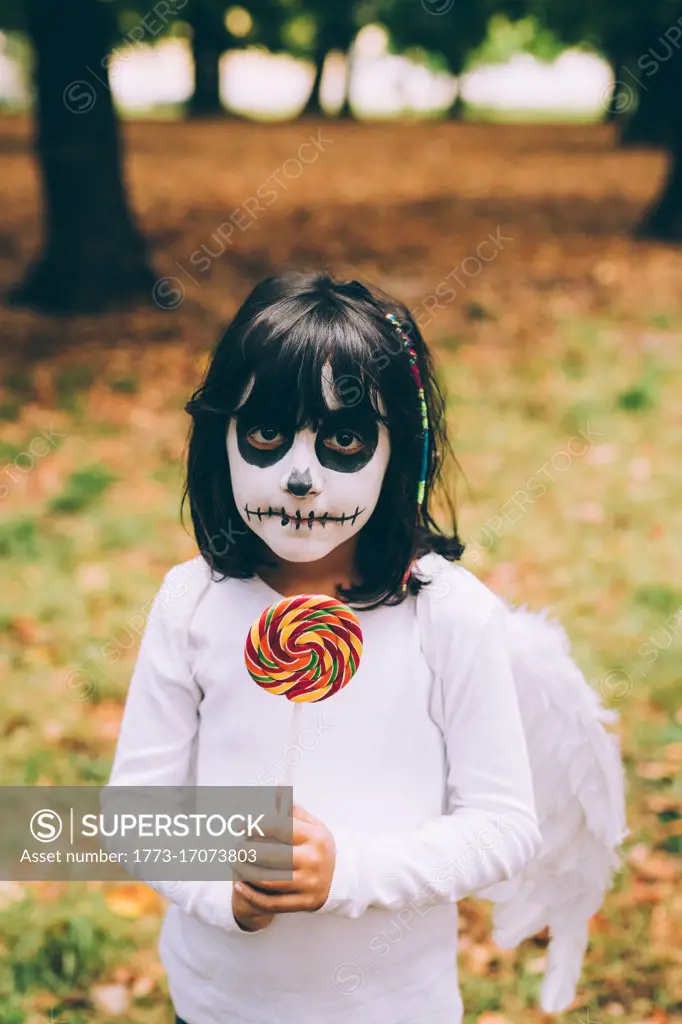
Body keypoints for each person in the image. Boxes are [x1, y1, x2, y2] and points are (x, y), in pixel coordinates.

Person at [108, 270, 542, 1024]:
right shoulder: (192, 603)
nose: (302, 478)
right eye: (267, 435)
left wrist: (347, 871)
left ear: (395, 452)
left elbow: (504, 826)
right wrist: (224, 890)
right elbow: (134, 810)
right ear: (222, 438)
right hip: (218, 1002)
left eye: (343, 439)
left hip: (392, 1006)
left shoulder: (450, 615)